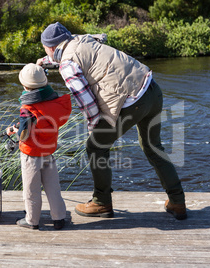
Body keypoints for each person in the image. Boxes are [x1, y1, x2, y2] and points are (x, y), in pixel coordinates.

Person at [36, 22, 187, 220]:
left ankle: (101, 202)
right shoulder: (84, 39)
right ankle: (177, 201)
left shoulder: (67, 66)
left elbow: (87, 102)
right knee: (153, 146)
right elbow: (80, 54)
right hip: (152, 90)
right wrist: (48, 60)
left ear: (51, 47)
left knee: (95, 147)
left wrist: (93, 127)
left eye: (46, 49)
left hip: (132, 102)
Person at [6, 63, 72, 229]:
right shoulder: (55, 104)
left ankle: (32, 220)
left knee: (31, 189)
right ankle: (59, 218)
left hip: (31, 155)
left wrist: (13, 130)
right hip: (48, 152)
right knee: (53, 187)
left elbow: (24, 134)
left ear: (24, 85)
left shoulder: (27, 108)